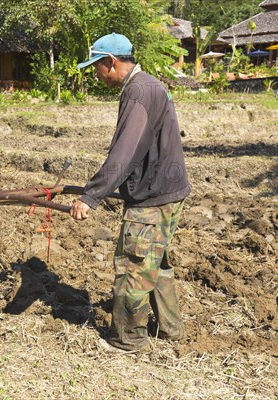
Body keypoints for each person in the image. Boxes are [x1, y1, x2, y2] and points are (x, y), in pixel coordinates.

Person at [71, 33, 191, 353]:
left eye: (97, 66)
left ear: (111, 62)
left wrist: (90, 196)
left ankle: (128, 339)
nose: (96, 74)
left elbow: (124, 153)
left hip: (154, 195)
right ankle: (170, 328)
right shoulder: (150, 84)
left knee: (133, 265)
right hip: (168, 189)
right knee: (155, 262)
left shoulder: (137, 92)